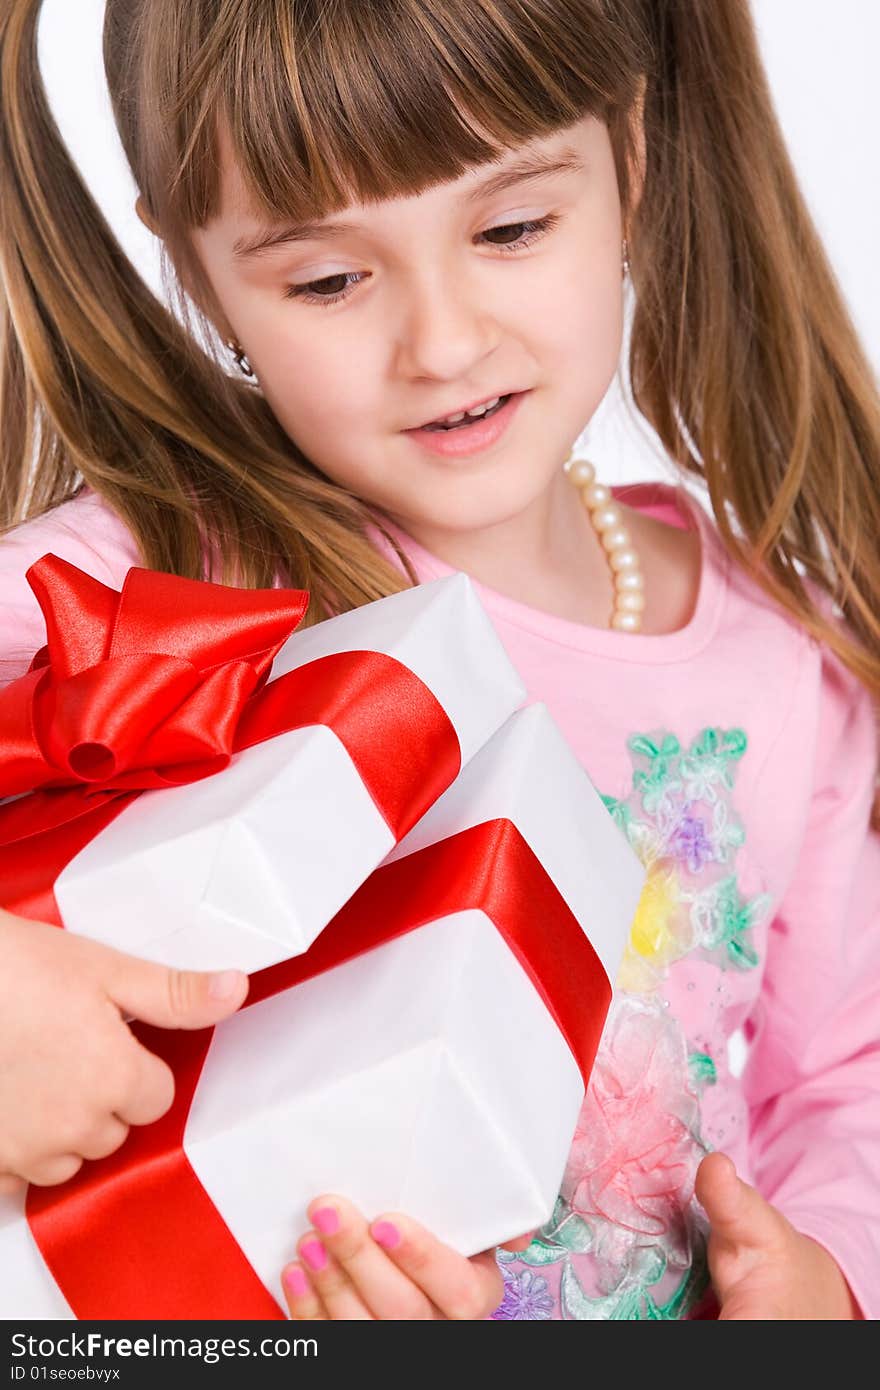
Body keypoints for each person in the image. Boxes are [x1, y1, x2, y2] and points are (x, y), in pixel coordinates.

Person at [0, 0, 878, 1321]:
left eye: (511, 228)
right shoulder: (154, 587)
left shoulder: (781, 657)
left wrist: (829, 1284)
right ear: (193, 266)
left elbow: (845, 1078)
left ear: (630, 159)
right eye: (327, 280)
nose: (444, 343)